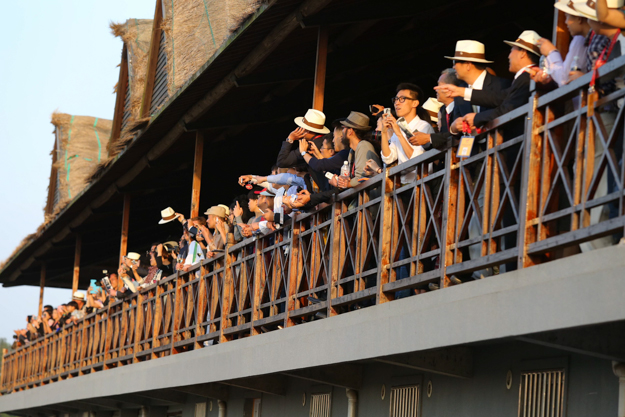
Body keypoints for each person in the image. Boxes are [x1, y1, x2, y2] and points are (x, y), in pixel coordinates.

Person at [380, 83, 435, 185]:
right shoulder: (398, 129)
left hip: (422, 184)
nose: (397, 103)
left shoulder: (424, 126)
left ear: (415, 103)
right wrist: (384, 132)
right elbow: (388, 158)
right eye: (396, 99)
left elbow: (416, 159)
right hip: (404, 185)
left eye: (402, 99)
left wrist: (399, 134)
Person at [538, 0, 592, 86]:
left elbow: (565, 79)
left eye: (567, 16)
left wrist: (551, 53)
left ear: (579, 19)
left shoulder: (579, 39)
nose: (566, 22)